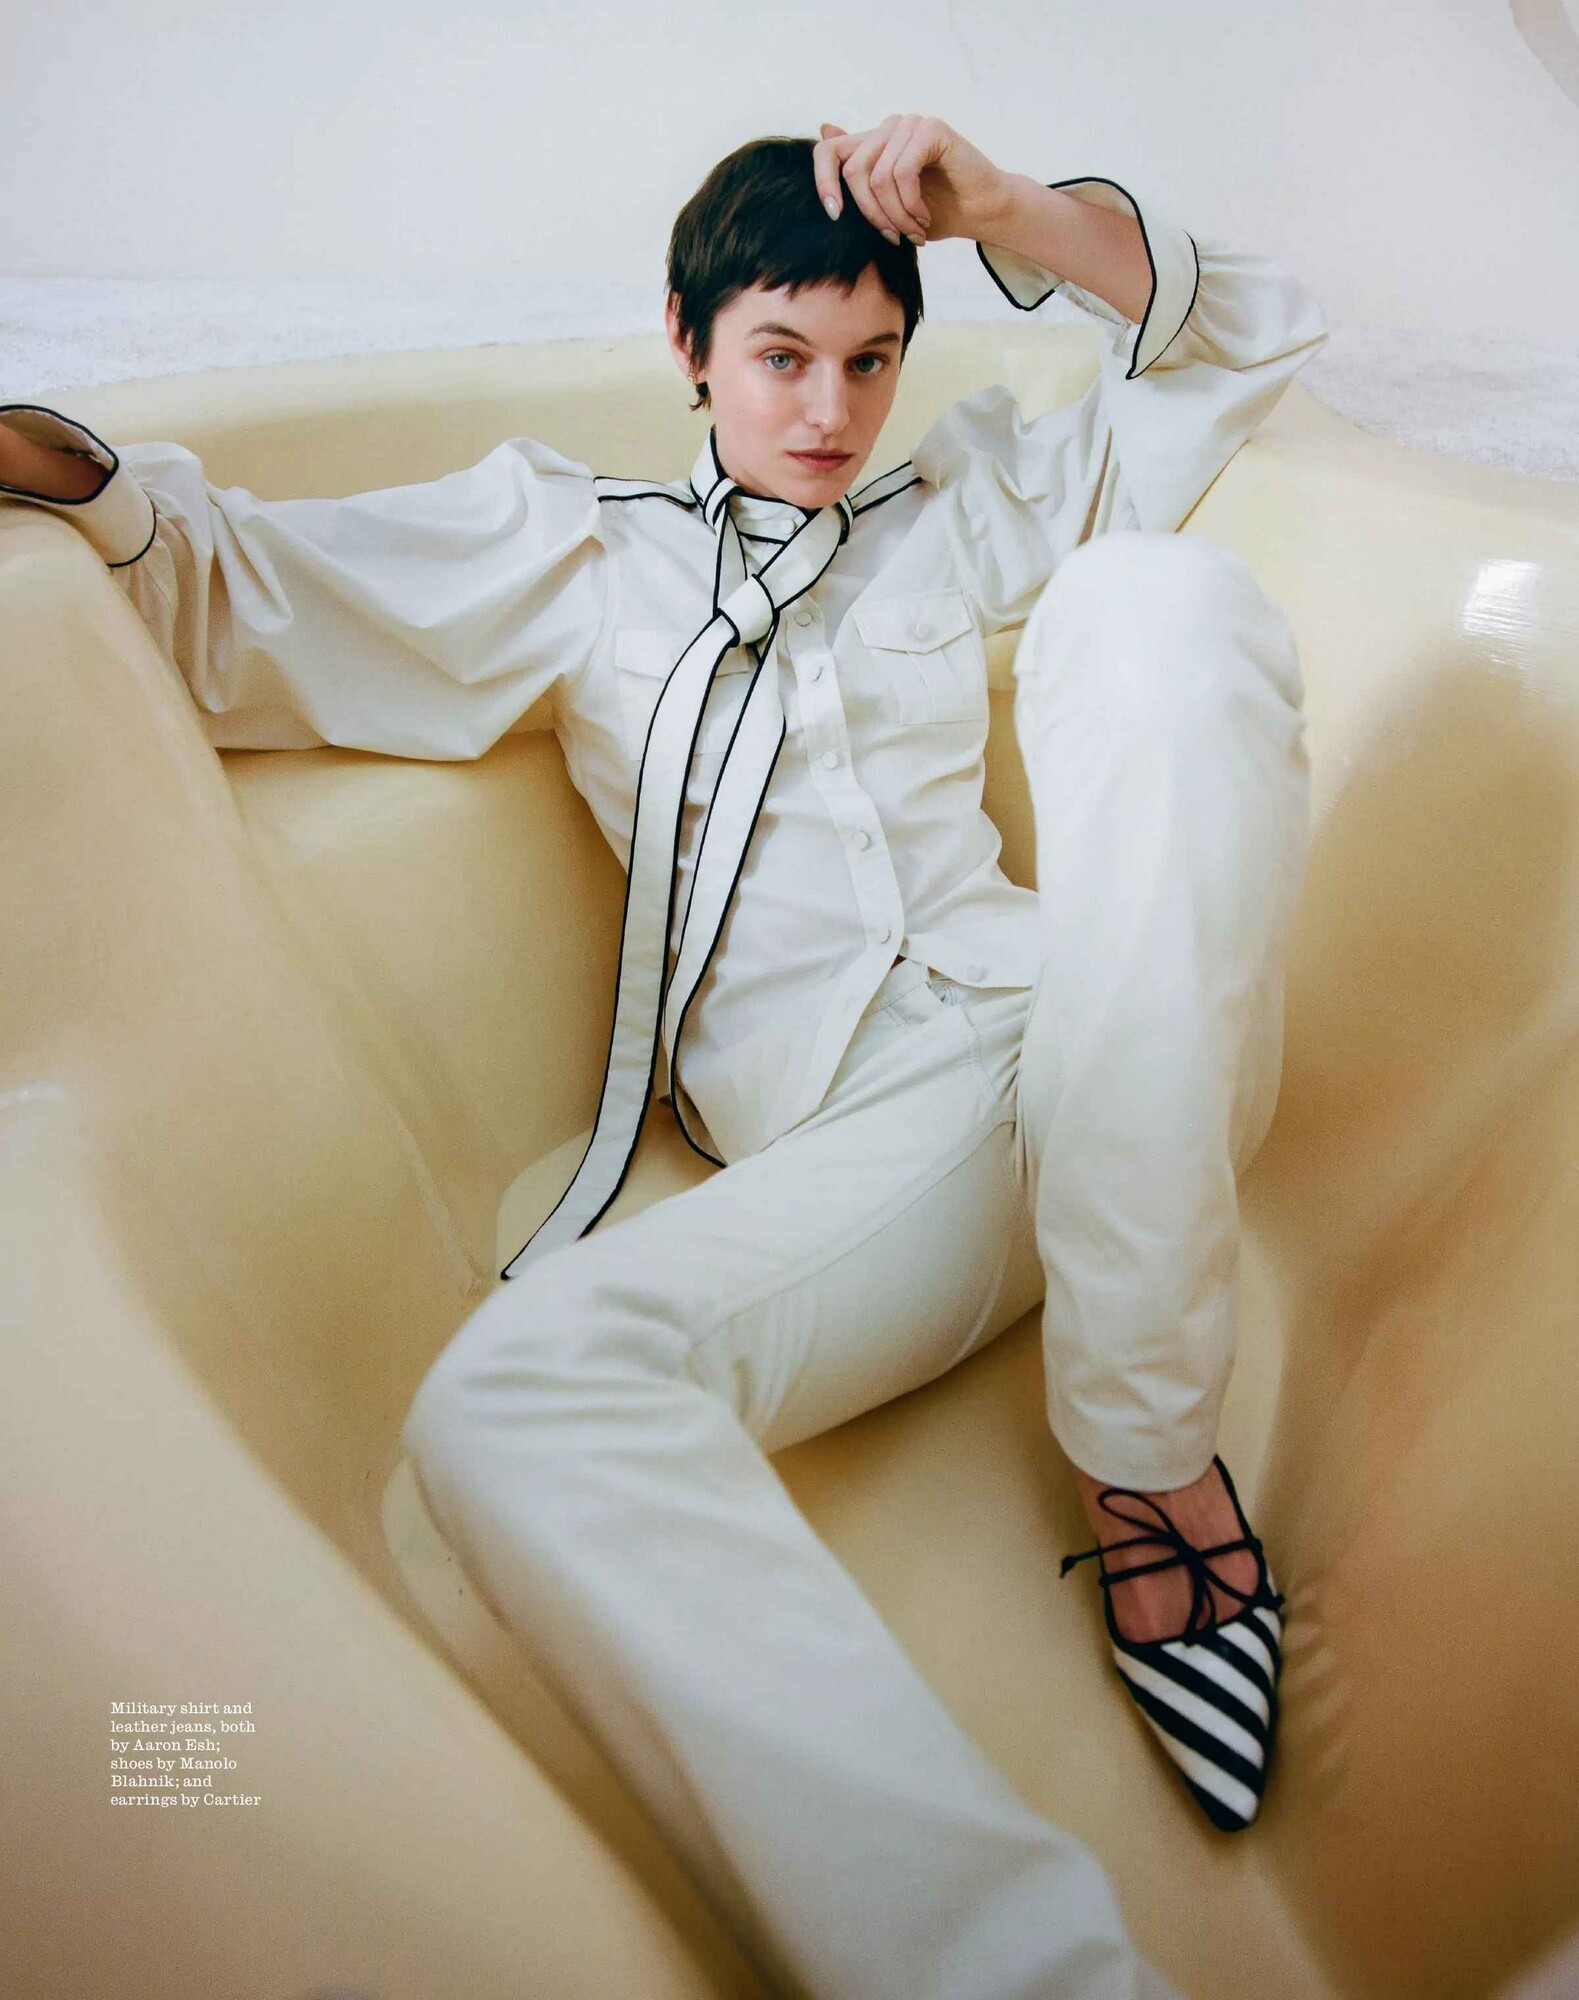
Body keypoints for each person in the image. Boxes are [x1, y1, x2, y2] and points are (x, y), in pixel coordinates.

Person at [0, 112, 1325, 2000]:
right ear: (690, 346)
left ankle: (1148, 1458)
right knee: (513, 1405)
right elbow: (237, 591)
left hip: (1109, 1022)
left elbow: (1234, 341)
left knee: (1158, 596)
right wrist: (58, 464)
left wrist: (1002, 207)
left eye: (869, 360)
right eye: (782, 356)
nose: (829, 413)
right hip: (907, 1132)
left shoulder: (953, 510)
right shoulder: (577, 552)